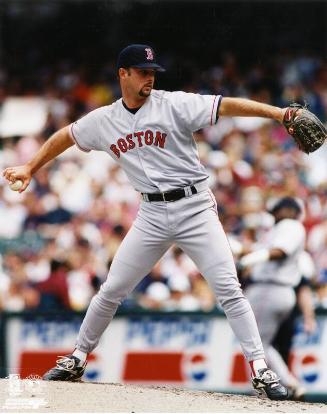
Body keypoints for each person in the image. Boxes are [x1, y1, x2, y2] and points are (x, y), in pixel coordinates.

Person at [3, 44, 296, 400]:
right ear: (122, 74)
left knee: (230, 291)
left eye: (152, 72)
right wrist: (30, 167)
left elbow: (227, 105)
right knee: (111, 289)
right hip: (152, 215)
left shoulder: (174, 104)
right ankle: (78, 357)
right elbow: (67, 135)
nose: (150, 78)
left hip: (194, 208)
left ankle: (260, 368)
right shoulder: (104, 120)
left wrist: (279, 113)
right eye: (143, 71)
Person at [239, 197, 308, 400]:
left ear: (289, 210)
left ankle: (261, 388)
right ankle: (290, 383)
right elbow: (262, 250)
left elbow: (279, 252)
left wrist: (249, 259)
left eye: (278, 210)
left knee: (253, 343)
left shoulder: (291, 225)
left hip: (270, 289)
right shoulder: (282, 229)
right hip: (279, 291)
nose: (275, 214)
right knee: (263, 344)